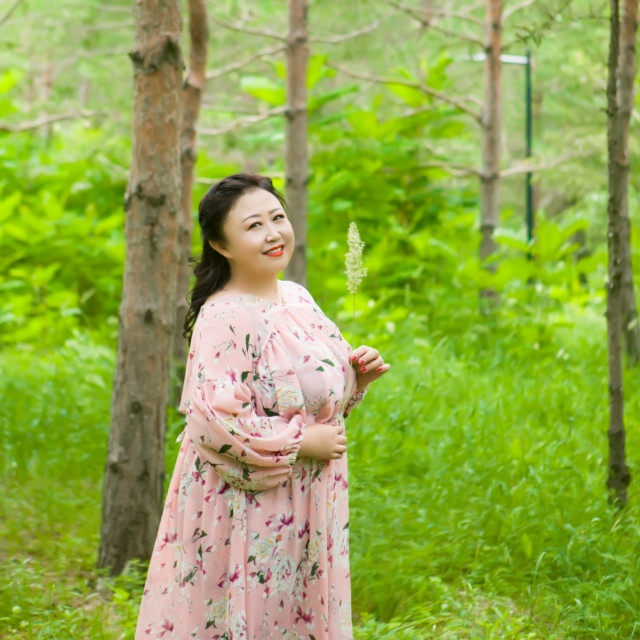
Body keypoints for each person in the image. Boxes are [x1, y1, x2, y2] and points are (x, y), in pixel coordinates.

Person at [135, 173, 390, 639]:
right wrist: (302, 443)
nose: (273, 233)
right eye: (254, 225)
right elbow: (213, 423)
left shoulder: (297, 298)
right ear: (222, 245)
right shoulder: (226, 315)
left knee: (294, 614)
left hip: (308, 499)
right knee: (257, 617)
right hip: (249, 507)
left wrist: (357, 377)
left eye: (277, 218)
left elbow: (309, 397)